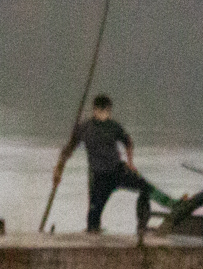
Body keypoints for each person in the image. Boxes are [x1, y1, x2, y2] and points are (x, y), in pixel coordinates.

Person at [53, 94, 154, 234]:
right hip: (100, 177)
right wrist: (58, 170)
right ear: (94, 110)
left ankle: (142, 226)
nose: (103, 114)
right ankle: (93, 233)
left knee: (145, 188)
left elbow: (128, 142)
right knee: (93, 218)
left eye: (105, 111)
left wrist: (130, 163)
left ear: (109, 110)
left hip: (118, 171)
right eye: (99, 110)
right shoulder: (84, 127)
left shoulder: (113, 126)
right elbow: (68, 149)